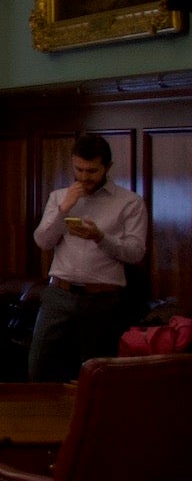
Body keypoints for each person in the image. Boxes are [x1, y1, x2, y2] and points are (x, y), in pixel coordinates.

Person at [30, 133, 149, 382]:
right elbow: (43, 241)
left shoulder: (130, 203)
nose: (84, 177)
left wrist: (100, 237)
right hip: (58, 295)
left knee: (96, 377)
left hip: (102, 301)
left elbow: (136, 253)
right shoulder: (59, 197)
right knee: (38, 370)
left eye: (92, 171)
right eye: (78, 169)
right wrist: (64, 211)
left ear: (107, 167)